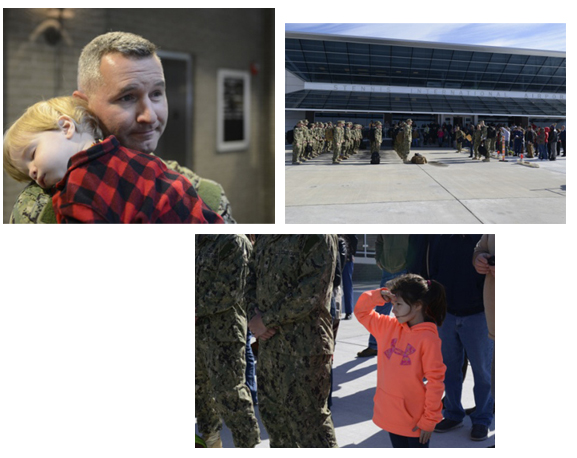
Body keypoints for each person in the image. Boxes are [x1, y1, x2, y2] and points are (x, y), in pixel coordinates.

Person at [9, 31, 234, 224]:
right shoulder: (39, 207)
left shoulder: (206, 195)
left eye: (156, 94)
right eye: (127, 97)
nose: (149, 115)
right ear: (84, 104)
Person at [3, 96, 223, 224]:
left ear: (67, 126)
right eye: (26, 173)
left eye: (32, 155)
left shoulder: (76, 190)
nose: (32, 172)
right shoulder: (136, 157)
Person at [247, 235, 339, 448]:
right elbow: (250, 278)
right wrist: (254, 316)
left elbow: (312, 291)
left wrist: (266, 320)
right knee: (275, 420)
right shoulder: (267, 236)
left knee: (310, 425)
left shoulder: (316, 235)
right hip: (270, 347)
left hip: (304, 348)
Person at [354, 273, 447, 448]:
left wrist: (430, 419)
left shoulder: (428, 339)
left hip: (415, 420)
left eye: (398, 304)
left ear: (418, 305)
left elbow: (436, 381)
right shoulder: (387, 327)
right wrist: (379, 296)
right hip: (390, 414)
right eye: (393, 304)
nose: (393, 309)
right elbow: (361, 312)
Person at [195, 234, 260, 448]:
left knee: (231, 396)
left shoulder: (233, 241)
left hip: (224, 336)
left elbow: (230, 290)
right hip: (196, 333)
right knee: (200, 392)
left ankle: (247, 446)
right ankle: (211, 442)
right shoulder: (197, 240)